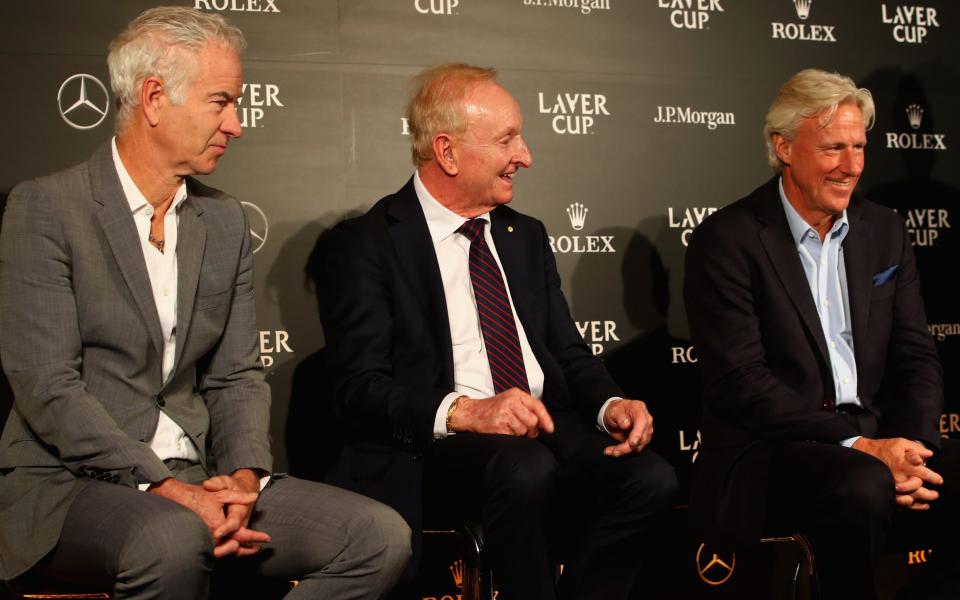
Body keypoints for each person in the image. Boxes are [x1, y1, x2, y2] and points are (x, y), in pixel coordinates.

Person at [0, 7, 410, 599]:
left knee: (377, 536)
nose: (237, 124)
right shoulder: (47, 209)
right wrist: (164, 486)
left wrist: (241, 480)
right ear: (154, 97)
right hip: (67, 484)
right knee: (171, 540)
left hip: (203, 479)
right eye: (221, 102)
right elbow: (47, 386)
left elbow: (237, 377)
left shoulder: (223, 222)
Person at [318, 63, 677, 600]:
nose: (525, 156)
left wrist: (610, 405)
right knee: (524, 469)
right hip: (438, 447)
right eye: (507, 139)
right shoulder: (367, 243)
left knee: (651, 480)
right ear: (447, 152)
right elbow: (359, 388)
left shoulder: (523, 235)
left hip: (547, 427)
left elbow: (567, 351)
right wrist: (466, 412)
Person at [684, 68, 959, 599]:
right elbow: (741, 382)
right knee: (861, 483)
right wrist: (861, 445)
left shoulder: (884, 231)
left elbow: (916, 355)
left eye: (859, 146)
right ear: (784, 147)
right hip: (772, 451)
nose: (852, 166)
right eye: (834, 147)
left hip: (874, 440)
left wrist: (916, 449)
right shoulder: (728, 239)